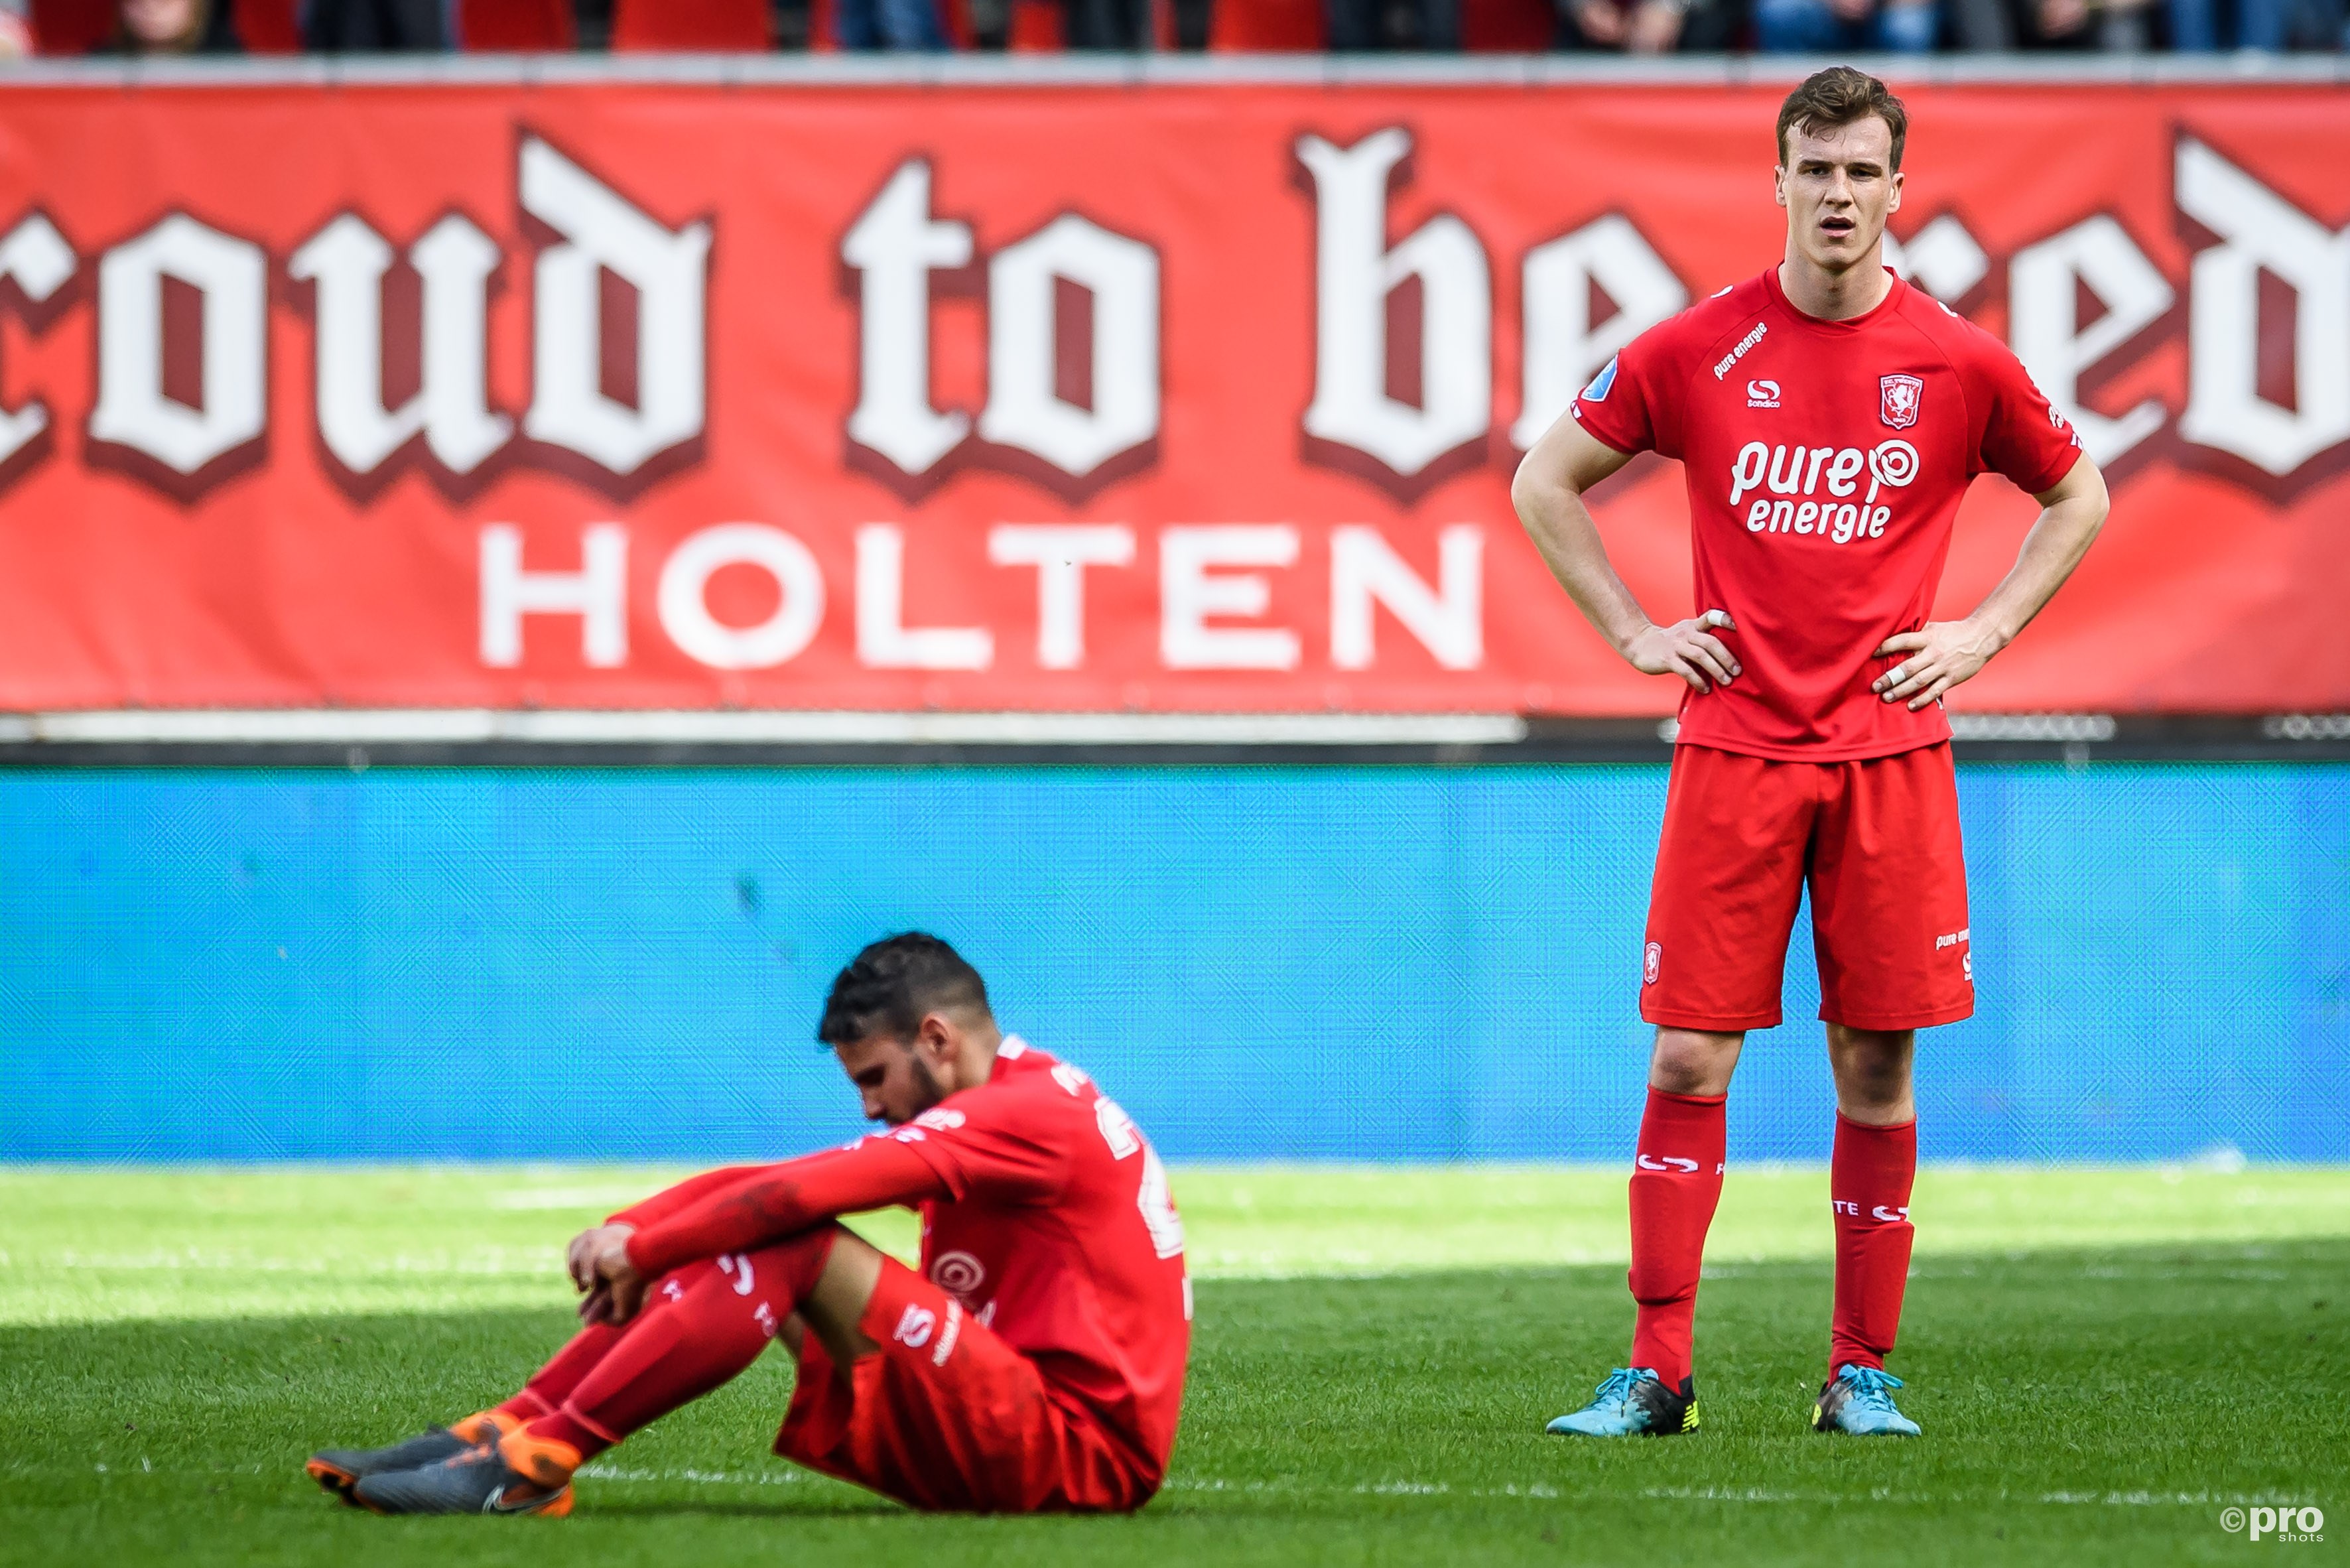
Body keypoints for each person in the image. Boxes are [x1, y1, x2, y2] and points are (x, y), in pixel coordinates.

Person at [1512, 66, 2109, 1440]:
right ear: (1775, 181)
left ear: (1899, 190)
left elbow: (2077, 490)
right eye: (1813, 170)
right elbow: (1542, 479)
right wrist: (1632, 633)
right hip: (1732, 749)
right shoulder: (1694, 348)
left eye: (1859, 173)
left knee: (1876, 1068)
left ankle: (1860, 1374)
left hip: (1890, 757)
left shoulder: (1955, 362)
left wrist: (1985, 631)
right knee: (1683, 1062)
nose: (1835, 195)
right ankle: (1655, 1371)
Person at [306, 933, 1191, 1514]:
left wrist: (648, 1248)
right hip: (1015, 1414)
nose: (873, 1107)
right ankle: (503, 1433)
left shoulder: (1026, 1115)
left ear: (936, 1037)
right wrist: (634, 1223)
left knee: (793, 1239)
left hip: (1075, 1455)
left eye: (874, 1078)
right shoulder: (1016, 1092)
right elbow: (776, 1181)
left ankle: (535, 1467)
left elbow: (801, 1197)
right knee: (766, 1232)